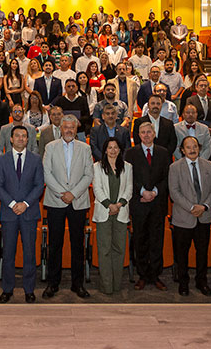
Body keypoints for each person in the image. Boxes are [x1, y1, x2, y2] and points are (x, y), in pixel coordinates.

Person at [42, 115, 93, 299]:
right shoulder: (50, 147)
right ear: (60, 129)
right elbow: (46, 173)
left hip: (78, 202)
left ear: (76, 128)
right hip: (56, 201)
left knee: (77, 244)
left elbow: (89, 174)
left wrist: (73, 194)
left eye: (72, 127)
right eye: (66, 127)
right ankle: (52, 283)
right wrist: (63, 193)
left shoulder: (85, 148)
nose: (69, 130)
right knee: (54, 244)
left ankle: (77, 284)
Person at [0, 125, 45, 303]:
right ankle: (7, 289)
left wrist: (25, 203)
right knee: (8, 253)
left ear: (28, 139)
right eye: (17, 136)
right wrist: (14, 204)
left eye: (24, 136)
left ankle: (29, 289)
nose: (21, 139)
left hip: (29, 212)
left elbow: (39, 185)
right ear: (11, 138)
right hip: (9, 213)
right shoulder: (2, 159)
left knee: (29, 253)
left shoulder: (36, 159)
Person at [169, 136, 211, 296]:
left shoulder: (209, 166)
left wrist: (203, 206)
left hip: (204, 216)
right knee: (182, 253)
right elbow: (174, 192)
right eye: (188, 147)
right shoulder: (175, 167)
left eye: (195, 146)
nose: (192, 149)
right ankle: (183, 283)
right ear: (182, 150)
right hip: (183, 216)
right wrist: (191, 207)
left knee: (202, 251)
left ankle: (201, 281)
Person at [126, 121, 172, 291]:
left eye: (149, 132)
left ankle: (155, 275)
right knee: (140, 240)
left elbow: (168, 177)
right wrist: (142, 192)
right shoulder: (131, 153)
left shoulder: (163, 153)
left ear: (154, 134)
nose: (146, 135)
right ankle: (143, 275)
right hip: (139, 203)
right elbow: (128, 177)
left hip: (158, 203)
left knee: (156, 240)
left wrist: (155, 192)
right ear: (138, 135)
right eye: (142, 132)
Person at [92, 137, 132, 295]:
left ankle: (117, 284)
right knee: (104, 249)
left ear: (120, 150)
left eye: (116, 147)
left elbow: (129, 188)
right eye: (110, 147)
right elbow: (97, 188)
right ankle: (106, 285)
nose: (113, 150)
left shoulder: (127, 167)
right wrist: (109, 205)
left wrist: (119, 204)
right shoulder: (97, 167)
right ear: (105, 150)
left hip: (121, 212)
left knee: (119, 249)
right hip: (104, 212)